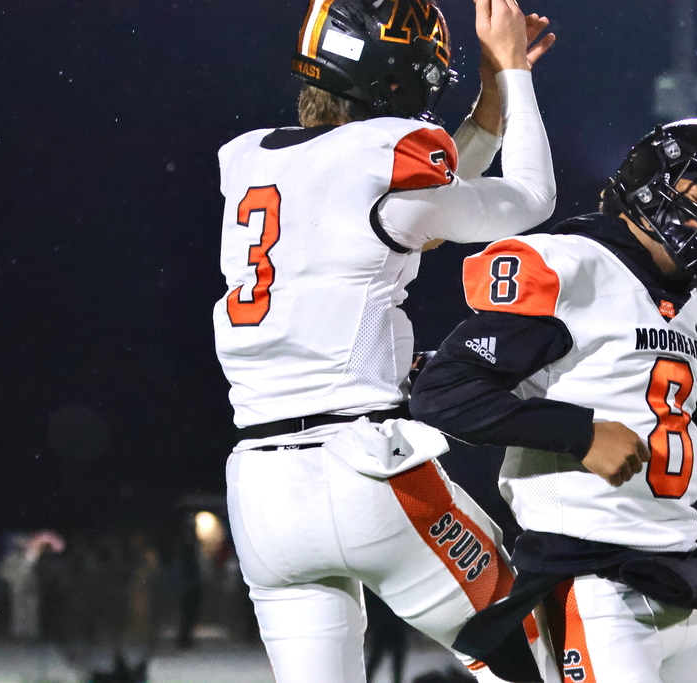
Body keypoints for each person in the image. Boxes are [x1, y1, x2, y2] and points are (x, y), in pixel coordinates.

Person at [410, 119, 697, 683]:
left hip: (678, 589)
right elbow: (444, 390)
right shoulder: (574, 266)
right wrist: (579, 435)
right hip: (592, 588)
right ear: (650, 179)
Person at [214, 0, 560, 680]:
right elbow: (527, 198)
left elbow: (409, 204)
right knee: (535, 658)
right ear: (406, 77)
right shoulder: (389, 159)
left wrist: (488, 111)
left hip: (260, 490)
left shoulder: (253, 159)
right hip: (363, 471)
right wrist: (514, 78)